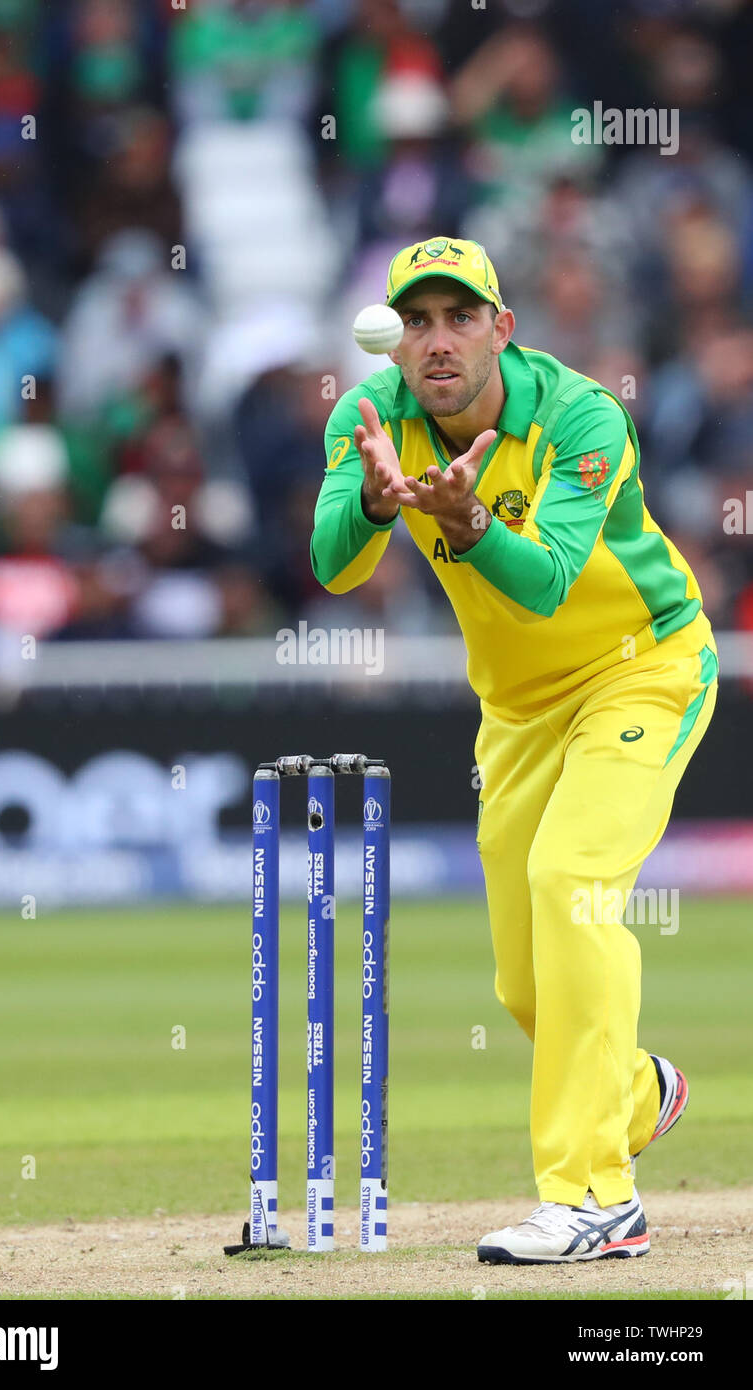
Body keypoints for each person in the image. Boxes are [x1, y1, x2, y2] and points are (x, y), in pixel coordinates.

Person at [310, 236, 718, 1264]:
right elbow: (332, 569)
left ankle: (595, 1197)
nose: (437, 341)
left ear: (504, 327)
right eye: (417, 322)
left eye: (459, 317)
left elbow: (542, 581)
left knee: (571, 882)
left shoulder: (582, 415)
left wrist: (469, 517)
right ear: (394, 340)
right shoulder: (368, 422)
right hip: (519, 711)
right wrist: (373, 497)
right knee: (526, 984)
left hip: (644, 670)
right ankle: (635, 1092)